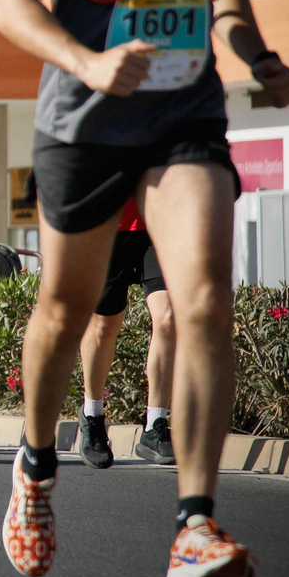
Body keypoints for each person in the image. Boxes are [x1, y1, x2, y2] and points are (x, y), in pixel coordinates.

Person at [0, 0, 289, 577]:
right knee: (65, 309)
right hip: (83, 124)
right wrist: (85, 58)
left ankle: (194, 523)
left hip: (184, 118)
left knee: (200, 301)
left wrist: (256, 57)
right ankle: (35, 468)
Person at [76, 200, 178, 468]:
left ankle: (155, 426)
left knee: (168, 317)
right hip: (106, 224)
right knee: (103, 326)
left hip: (157, 223)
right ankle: (92, 416)